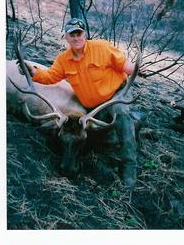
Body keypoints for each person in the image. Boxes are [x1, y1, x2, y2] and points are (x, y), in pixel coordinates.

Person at [24, 18, 137, 187]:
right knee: (99, 138)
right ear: (66, 37)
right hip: (93, 108)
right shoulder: (63, 60)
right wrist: (34, 72)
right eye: (72, 34)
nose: (76, 38)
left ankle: (129, 166)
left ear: (85, 35)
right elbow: (51, 76)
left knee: (121, 116)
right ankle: (135, 122)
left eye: (79, 33)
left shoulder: (102, 47)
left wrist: (135, 68)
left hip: (115, 96)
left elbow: (123, 64)